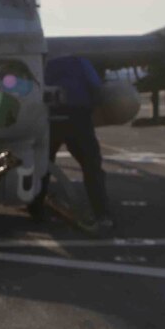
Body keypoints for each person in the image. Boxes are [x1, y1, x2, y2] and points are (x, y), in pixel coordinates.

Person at [28, 55, 114, 232]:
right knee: (92, 166)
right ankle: (102, 214)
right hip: (79, 119)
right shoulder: (81, 62)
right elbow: (96, 88)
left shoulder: (43, 62)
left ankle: (36, 209)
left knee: (42, 164)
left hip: (51, 118)